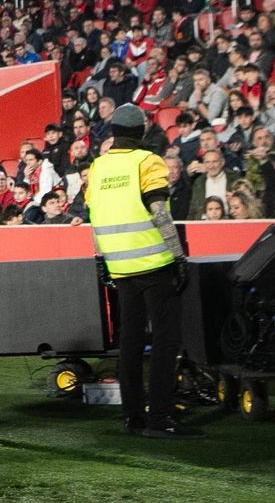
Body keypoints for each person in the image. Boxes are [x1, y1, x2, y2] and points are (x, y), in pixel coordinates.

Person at [85, 103, 200, 439]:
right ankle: (160, 417)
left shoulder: (98, 167)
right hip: (155, 264)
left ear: (114, 131)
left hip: (120, 266)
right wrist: (178, 255)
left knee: (130, 342)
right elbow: (159, 212)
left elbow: (94, 219)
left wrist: (103, 259)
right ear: (141, 132)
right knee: (166, 341)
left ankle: (133, 416)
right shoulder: (147, 161)